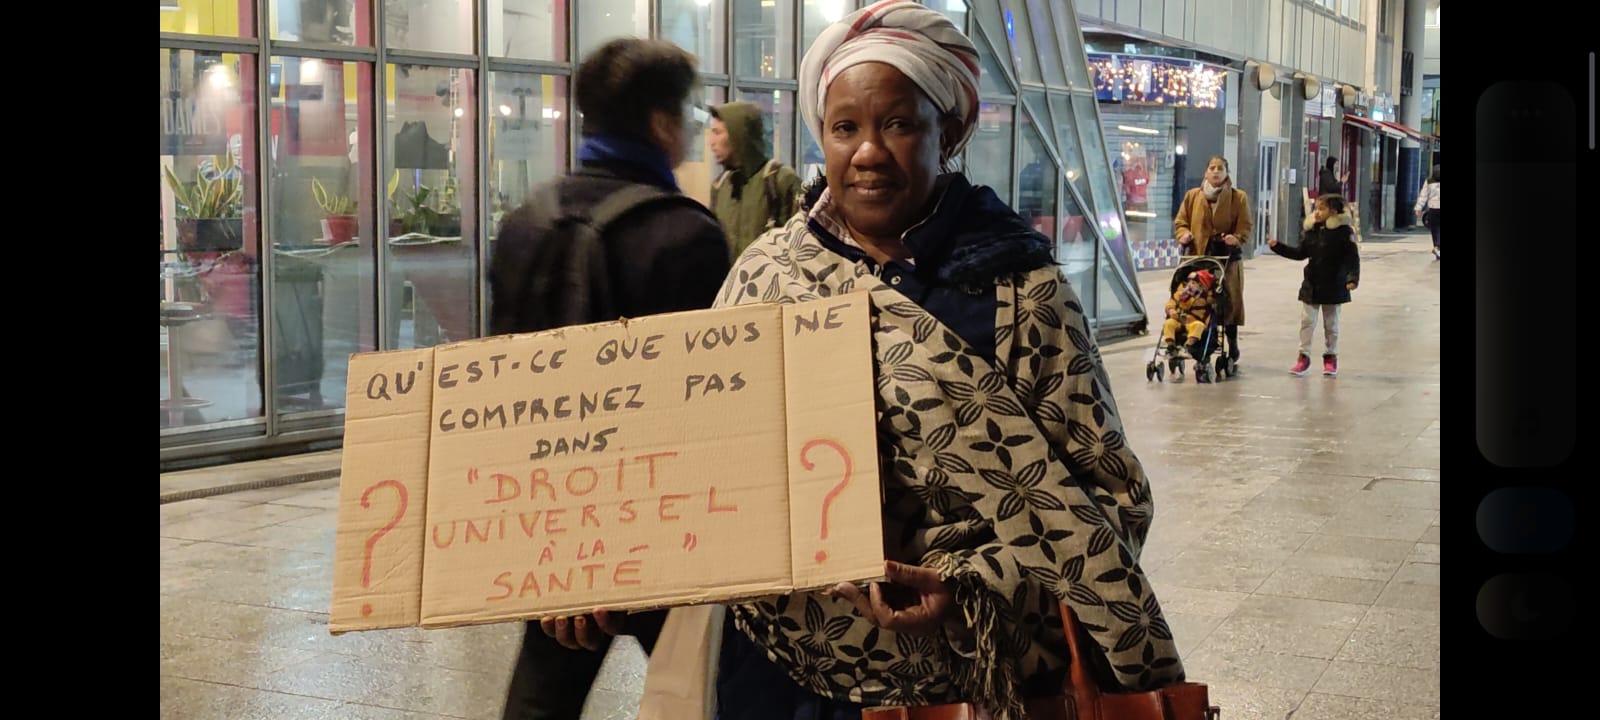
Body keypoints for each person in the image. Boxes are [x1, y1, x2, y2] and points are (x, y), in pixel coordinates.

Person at [710, 2, 1181, 718]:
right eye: (845, 128)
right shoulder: (766, 279)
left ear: (950, 132)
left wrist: (970, 586)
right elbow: (697, 465)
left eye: (897, 124)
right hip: (782, 679)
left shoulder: (1019, 290)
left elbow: (1112, 502)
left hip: (962, 680)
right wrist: (599, 590)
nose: (868, 151)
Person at [486, 37, 731, 720]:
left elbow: (494, 386)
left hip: (547, 508)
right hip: (662, 522)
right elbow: (706, 409)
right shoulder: (686, 234)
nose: (690, 128)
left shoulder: (523, 223)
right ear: (659, 123)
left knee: (543, 690)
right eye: (685, 112)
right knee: (714, 684)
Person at [1268, 194, 1360, 378]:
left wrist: (1352, 279)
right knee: (1307, 322)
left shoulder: (1344, 233)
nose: (1317, 213)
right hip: (1312, 284)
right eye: (1316, 208)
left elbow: (1352, 258)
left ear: (1333, 211)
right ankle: (1303, 357)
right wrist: (1278, 247)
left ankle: (1330, 357)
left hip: (1335, 284)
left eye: (1322, 209)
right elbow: (1300, 253)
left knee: (1331, 324)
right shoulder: (1312, 232)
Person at [1174, 155, 1253, 366]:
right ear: (1206, 172)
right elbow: (1181, 221)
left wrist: (1236, 238)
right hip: (1197, 257)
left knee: (1228, 302)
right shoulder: (1193, 196)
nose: (1216, 171)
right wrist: (1183, 234)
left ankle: (1232, 342)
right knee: (1198, 300)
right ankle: (1196, 342)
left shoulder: (1238, 198)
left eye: (1220, 168)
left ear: (1227, 173)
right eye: (1212, 168)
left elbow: (1245, 226)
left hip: (1226, 259)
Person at [709, 101, 804, 258]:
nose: (711, 142)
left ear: (738, 134)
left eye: (718, 132)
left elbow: (802, 246)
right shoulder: (721, 186)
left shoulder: (780, 181)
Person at [1161, 268, 1214, 364]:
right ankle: (1171, 347)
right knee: (1168, 324)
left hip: (1194, 322)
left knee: (1199, 325)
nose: (1190, 285)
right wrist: (1171, 310)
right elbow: (1171, 302)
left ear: (1201, 285)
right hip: (1179, 320)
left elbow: (1213, 301)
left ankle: (1188, 346)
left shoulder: (1206, 296)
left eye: (1194, 283)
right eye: (1189, 282)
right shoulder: (1181, 293)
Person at [1414, 164, 1439, 260]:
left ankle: (1437, 247)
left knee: (1435, 229)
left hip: (1433, 209)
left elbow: (1423, 195)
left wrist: (1418, 208)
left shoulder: (1429, 181)